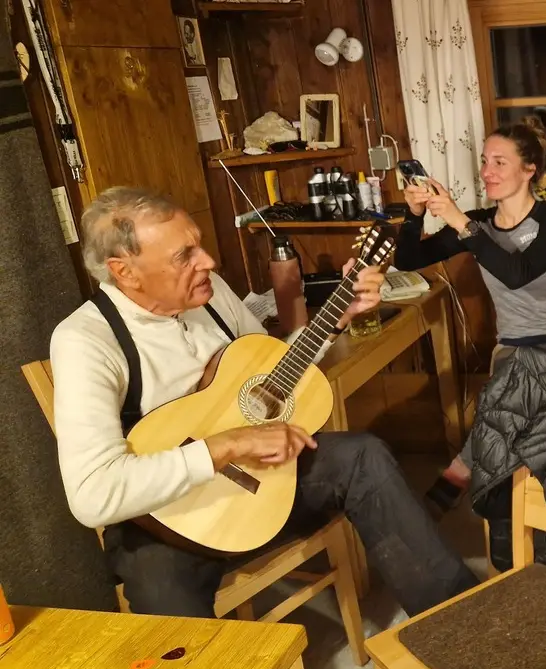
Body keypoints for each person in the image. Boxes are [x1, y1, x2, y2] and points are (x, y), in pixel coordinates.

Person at [50, 186, 479, 618]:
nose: (209, 262)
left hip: (263, 488)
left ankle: (458, 621)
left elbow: (267, 373)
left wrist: (337, 320)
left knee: (364, 456)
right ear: (125, 272)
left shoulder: (210, 291)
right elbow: (92, 494)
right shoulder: (86, 341)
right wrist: (229, 446)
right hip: (166, 521)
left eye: (198, 244)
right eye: (185, 256)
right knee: (167, 613)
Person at [395, 116, 546, 516]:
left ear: (529, 169)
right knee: (516, 384)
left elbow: (517, 275)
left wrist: (459, 221)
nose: (487, 171)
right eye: (485, 161)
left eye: (500, 162)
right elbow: (407, 260)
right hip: (513, 348)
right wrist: (413, 214)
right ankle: (529, 518)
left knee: (505, 394)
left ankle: (463, 471)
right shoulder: (479, 223)